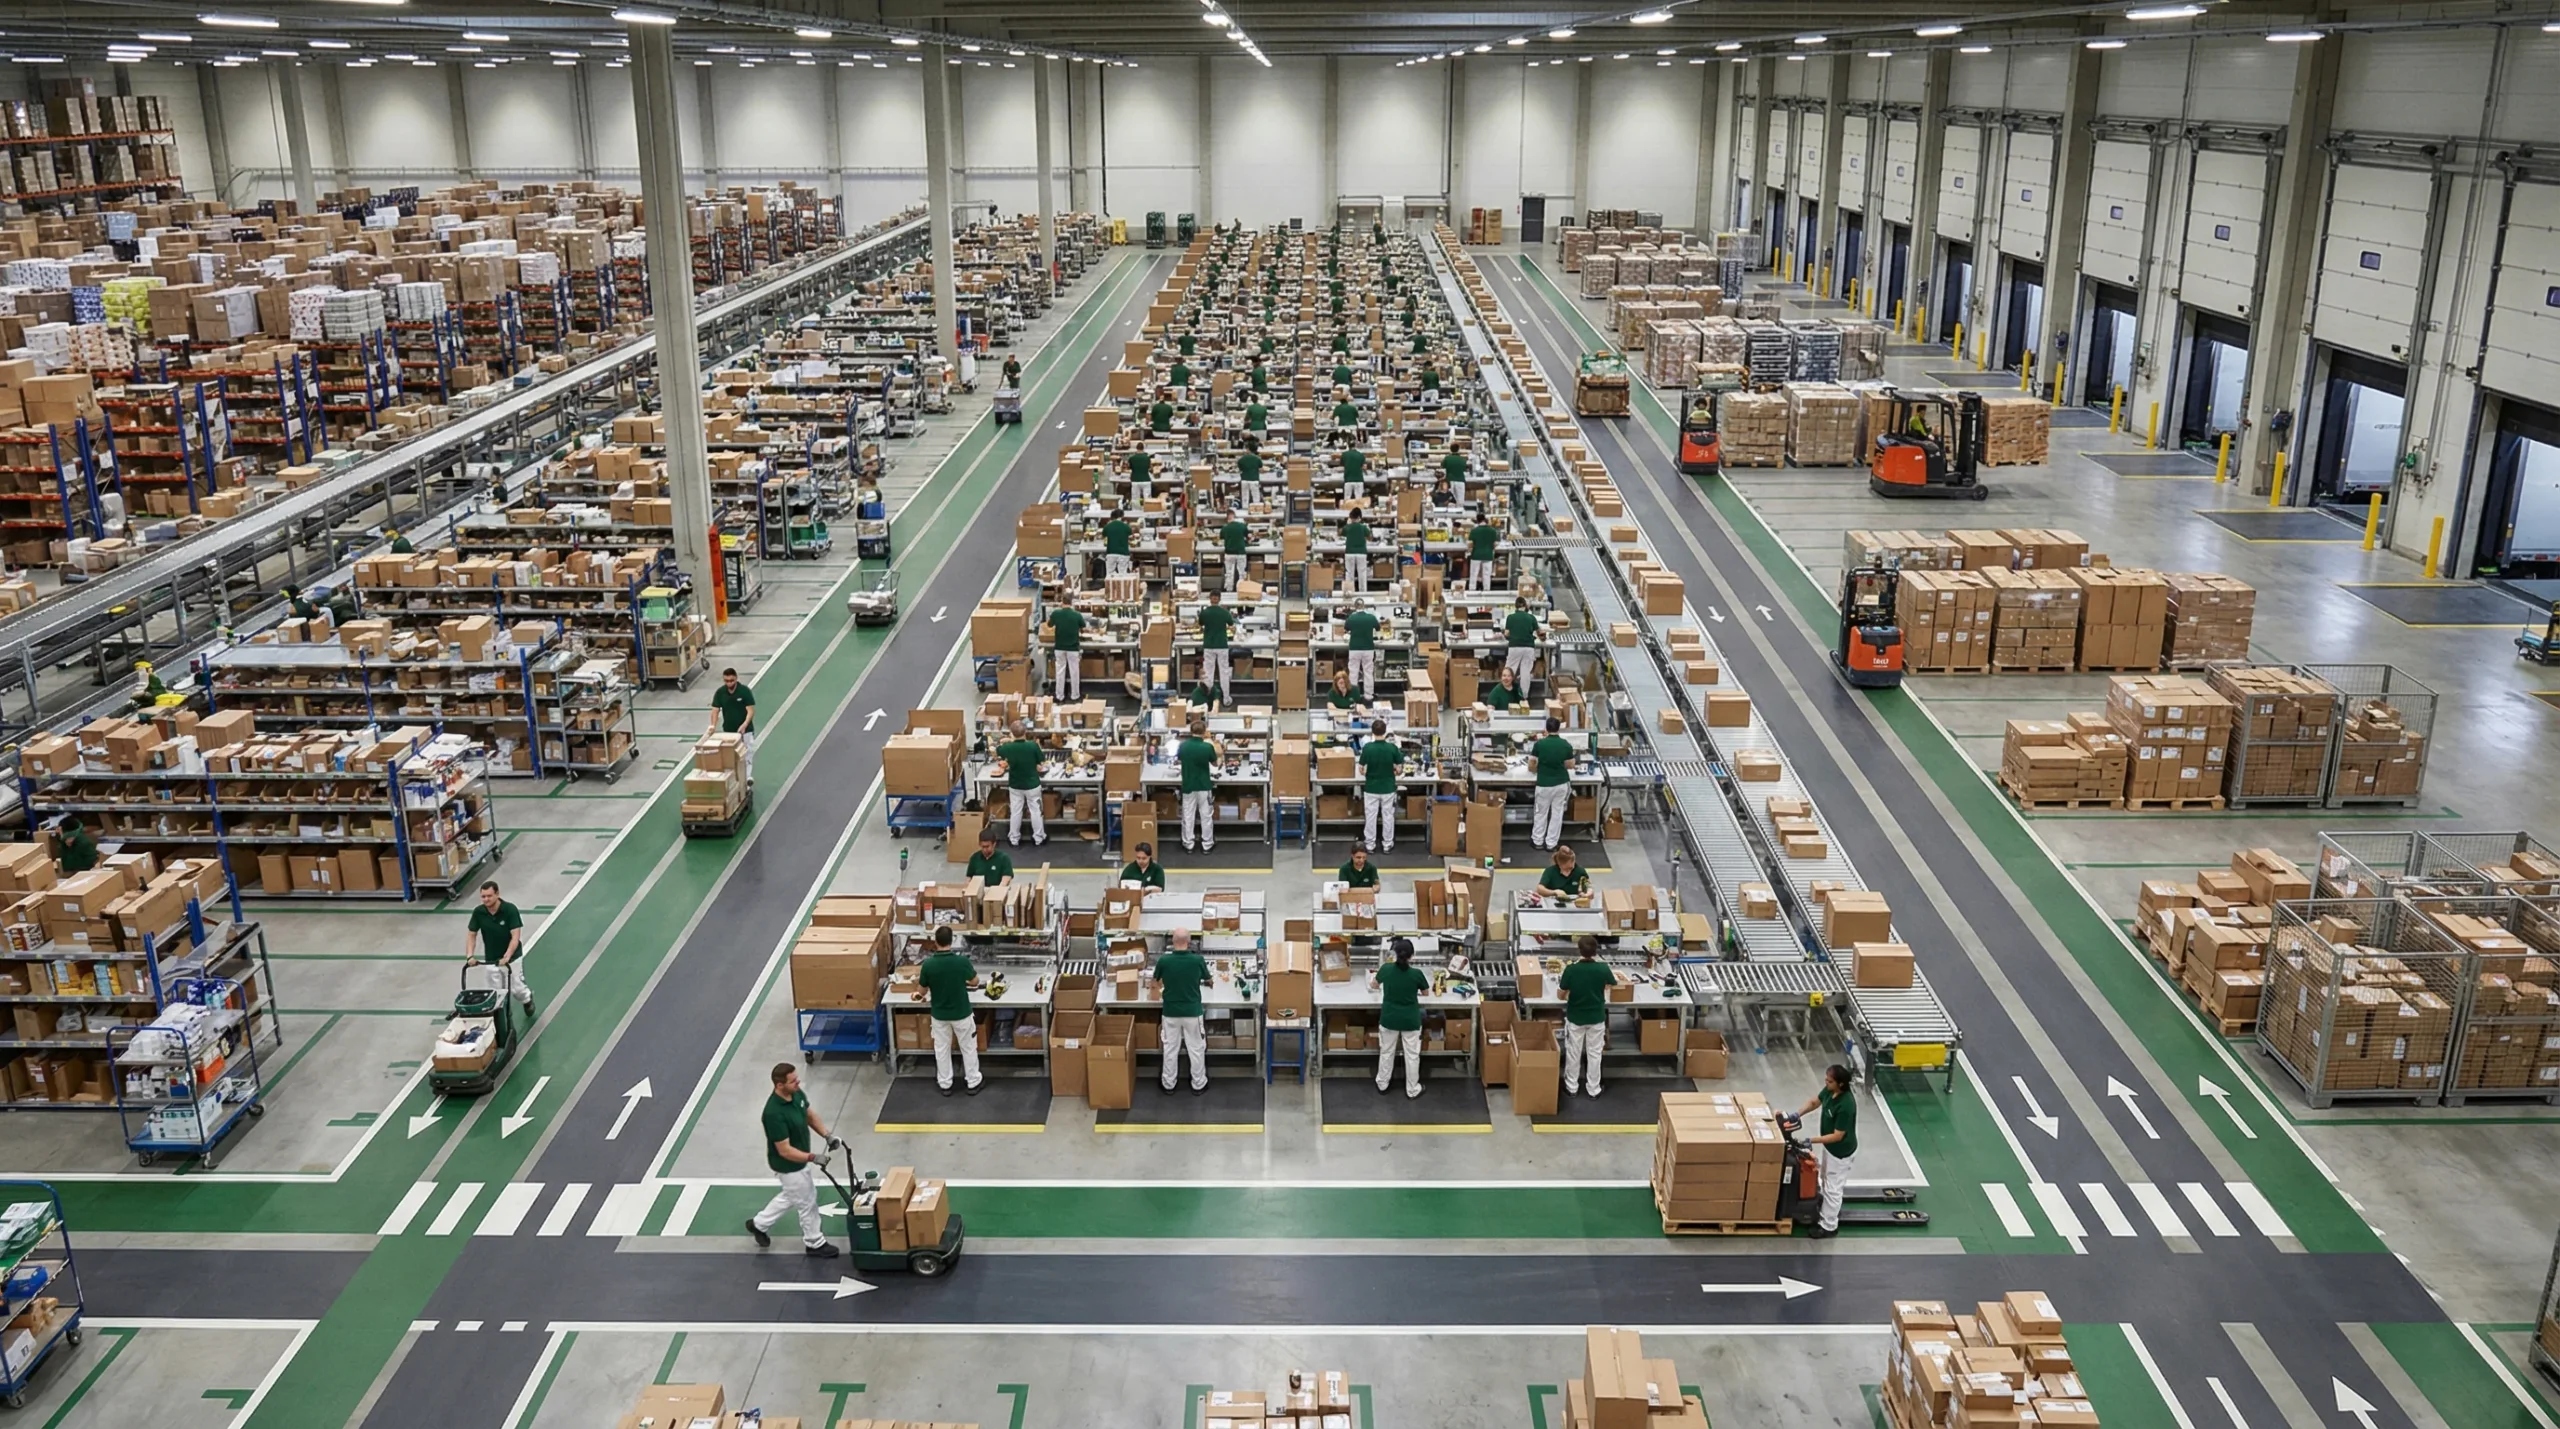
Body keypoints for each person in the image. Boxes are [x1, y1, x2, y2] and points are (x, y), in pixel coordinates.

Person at [746, 1062, 841, 1258]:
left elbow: (809, 1115)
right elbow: (785, 1150)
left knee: (793, 1195)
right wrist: (813, 1157)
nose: (798, 1082)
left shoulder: (796, 1094)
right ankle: (814, 1242)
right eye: (792, 1081)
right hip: (788, 1166)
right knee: (807, 1202)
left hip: (800, 1160)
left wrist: (827, 1135)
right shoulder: (773, 1113)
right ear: (779, 1085)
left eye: (797, 1078)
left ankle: (758, 1224)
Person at [919, 925, 983, 1095]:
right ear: (952, 940)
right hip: (961, 1013)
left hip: (939, 1016)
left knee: (942, 1049)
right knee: (968, 1047)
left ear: (935, 942)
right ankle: (973, 1082)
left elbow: (921, 991)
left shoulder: (928, 965)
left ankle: (945, 1084)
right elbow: (975, 981)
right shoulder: (961, 962)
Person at [1800, 1064, 1860, 1238]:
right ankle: (1826, 1207)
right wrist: (1796, 1114)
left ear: (1840, 1084)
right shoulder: (1830, 1090)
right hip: (1830, 1149)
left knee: (1833, 1187)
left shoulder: (1846, 1105)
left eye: (1830, 1081)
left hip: (1840, 1152)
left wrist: (1810, 1140)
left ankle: (1828, 1226)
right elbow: (1814, 1102)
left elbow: (1837, 1136)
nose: (1826, 1083)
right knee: (1825, 1178)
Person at [464, 880, 535, 1019]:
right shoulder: (479, 912)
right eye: (483, 896)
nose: (486, 899)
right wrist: (470, 956)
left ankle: (527, 999)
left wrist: (507, 956)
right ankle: (501, 1017)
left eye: (489, 896)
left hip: (512, 958)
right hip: (491, 958)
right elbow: (472, 934)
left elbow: (515, 936)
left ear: (497, 894)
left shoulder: (510, 910)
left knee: (517, 989)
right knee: (495, 992)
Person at [1155, 928, 1212, 1095]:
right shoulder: (1197, 960)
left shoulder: (1164, 961)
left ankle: (1168, 1084)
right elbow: (1208, 980)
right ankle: (1198, 1084)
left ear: (1173, 942)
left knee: (1170, 1048)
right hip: (1192, 1012)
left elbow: (1155, 981)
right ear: (1189, 942)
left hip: (1170, 1012)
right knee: (1196, 1048)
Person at [1558, 936, 1616, 1097]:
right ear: (1596, 951)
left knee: (1573, 1052)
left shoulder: (1571, 970)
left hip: (1576, 1018)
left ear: (1579, 950)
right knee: (1595, 1053)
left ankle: (1571, 1087)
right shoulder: (1603, 968)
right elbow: (1611, 984)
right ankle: (1593, 1089)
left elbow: (1560, 994)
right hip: (1596, 1018)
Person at [1373, 937, 1429, 1099]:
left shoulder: (1386, 969)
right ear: (1412, 956)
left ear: (1395, 953)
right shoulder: (1416, 974)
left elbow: (1374, 985)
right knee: (1412, 1055)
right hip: (1410, 1020)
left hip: (1389, 1019)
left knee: (1386, 1052)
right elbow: (1426, 993)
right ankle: (1412, 1089)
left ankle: (1382, 1084)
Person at [995, 721, 1047, 847]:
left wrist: (1006, 741)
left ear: (1012, 733)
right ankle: (1039, 838)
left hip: (1015, 785)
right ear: (1026, 732)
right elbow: (1041, 760)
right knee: (1036, 811)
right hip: (1032, 785)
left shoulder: (1008, 748)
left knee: (1016, 811)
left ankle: (1014, 838)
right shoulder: (1033, 746)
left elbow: (998, 750)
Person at [1531, 716, 1577, 852]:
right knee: (1557, 814)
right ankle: (1551, 844)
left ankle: (1537, 841)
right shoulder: (1566, 745)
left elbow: (1531, 765)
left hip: (1543, 784)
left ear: (1546, 728)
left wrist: (1538, 768)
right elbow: (1570, 764)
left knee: (1540, 813)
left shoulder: (1539, 744)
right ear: (1559, 728)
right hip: (1561, 784)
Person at [1177, 716, 1222, 853]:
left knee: (1188, 815)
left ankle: (1188, 843)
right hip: (1204, 786)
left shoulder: (1183, 746)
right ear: (1204, 732)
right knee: (1206, 815)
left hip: (1188, 786)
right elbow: (1215, 763)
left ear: (1191, 731)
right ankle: (1207, 844)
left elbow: (1179, 760)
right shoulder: (1207, 747)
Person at [1359, 719, 1402, 853]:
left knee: (1371, 816)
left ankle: (1370, 844)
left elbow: (1361, 769)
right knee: (1388, 816)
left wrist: (1367, 771)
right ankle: (1387, 844)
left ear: (1372, 732)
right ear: (1385, 731)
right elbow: (1399, 769)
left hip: (1371, 788)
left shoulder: (1367, 748)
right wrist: (1394, 769)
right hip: (1388, 788)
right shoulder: (1392, 748)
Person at [708, 666, 756, 787]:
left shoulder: (744, 691)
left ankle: (747, 779)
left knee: (747, 754)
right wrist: (713, 726)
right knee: (732, 757)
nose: (729, 683)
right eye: (727, 681)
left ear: (736, 679)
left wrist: (745, 724)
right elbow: (715, 710)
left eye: (731, 681)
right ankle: (735, 781)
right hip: (729, 731)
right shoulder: (720, 693)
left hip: (746, 731)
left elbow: (750, 710)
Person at [1199, 586, 1235, 701]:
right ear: (1219, 599)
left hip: (1208, 645)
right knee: (1224, 672)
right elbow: (1232, 626)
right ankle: (1226, 698)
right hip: (1222, 645)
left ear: (1210, 599)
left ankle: (1208, 698)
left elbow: (1200, 625)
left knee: (1208, 672)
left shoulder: (1204, 613)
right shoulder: (1225, 613)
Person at [1047, 600, 1085, 701]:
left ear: (1062, 602)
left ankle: (1059, 696)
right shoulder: (1077, 615)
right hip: (1073, 648)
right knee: (1074, 672)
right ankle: (1075, 695)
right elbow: (1083, 626)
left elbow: (1049, 625)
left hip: (1059, 647)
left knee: (1060, 671)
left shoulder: (1056, 613)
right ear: (1071, 602)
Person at [1503, 596, 1542, 692]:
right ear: (1525, 606)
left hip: (1514, 647)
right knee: (1525, 673)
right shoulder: (1531, 617)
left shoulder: (1510, 617)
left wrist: (1511, 637)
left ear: (1515, 607)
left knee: (1509, 671)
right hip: (1528, 648)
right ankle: (1524, 697)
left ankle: (1506, 693)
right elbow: (1540, 633)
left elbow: (1506, 634)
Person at [1344, 599, 1381, 699]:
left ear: (1355, 607)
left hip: (1354, 648)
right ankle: (1368, 695)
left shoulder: (1351, 618)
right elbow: (1378, 627)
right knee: (1368, 672)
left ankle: (1353, 696)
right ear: (1364, 606)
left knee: (1353, 672)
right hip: (1368, 648)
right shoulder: (1371, 617)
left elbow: (1346, 628)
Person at [1219, 507, 1251, 595]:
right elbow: (1249, 536)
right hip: (1240, 553)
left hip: (1229, 554)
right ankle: (1241, 591)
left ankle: (1228, 592)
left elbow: (1221, 538)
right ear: (1234, 516)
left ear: (1227, 518)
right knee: (1241, 573)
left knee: (1229, 573)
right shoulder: (1242, 526)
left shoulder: (1225, 528)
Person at [1468, 512, 1502, 593]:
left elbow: (1470, 545)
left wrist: (1469, 550)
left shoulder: (1474, 531)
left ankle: (1472, 591)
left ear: (1477, 520)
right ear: (1485, 520)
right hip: (1488, 555)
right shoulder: (1492, 531)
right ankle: (1486, 591)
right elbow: (1495, 544)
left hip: (1476, 555)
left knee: (1474, 574)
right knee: (1486, 575)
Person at [1341, 505, 1372, 594]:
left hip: (1349, 553)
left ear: (1351, 517)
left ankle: (1348, 592)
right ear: (1360, 517)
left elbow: (1342, 533)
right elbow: (1370, 537)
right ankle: (1363, 593)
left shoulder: (1348, 527)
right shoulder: (1363, 527)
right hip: (1361, 553)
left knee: (1349, 574)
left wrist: (1348, 524)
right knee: (1362, 574)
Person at [1101, 506, 1134, 582]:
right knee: (1123, 575)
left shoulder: (1108, 526)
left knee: (1110, 575)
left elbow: (1103, 535)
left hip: (1111, 553)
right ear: (1122, 516)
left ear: (1112, 517)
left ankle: (1110, 591)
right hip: (1123, 553)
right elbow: (1131, 537)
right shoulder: (1126, 526)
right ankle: (1122, 591)